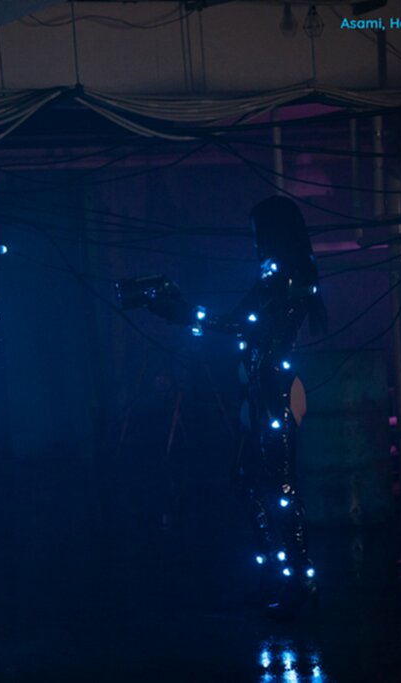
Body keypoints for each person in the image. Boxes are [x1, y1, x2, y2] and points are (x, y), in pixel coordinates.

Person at [119, 195, 326, 619]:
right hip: (259, 388)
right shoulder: (277, 274)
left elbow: (243, 324)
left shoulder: (289, 274)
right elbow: (240, 322)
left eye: (256, 234)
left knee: (280, 487)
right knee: (249, 479)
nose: (252, 242)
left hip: (275, 389)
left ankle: (299, 578)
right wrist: (183, 312)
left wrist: (183, 312)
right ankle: (279, 572)